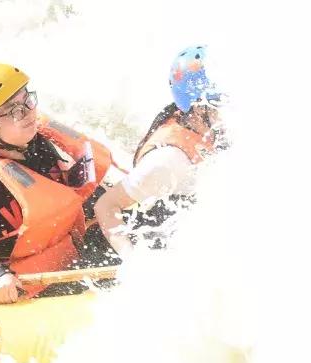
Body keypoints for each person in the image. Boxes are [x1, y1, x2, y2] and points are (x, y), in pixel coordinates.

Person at [0, 63, 120, 304]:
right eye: (12, 111)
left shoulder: (39, 142)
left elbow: (77, 195)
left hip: (76, 256)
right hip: (38, 286)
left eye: (27, 100)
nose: (28, 112)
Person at [93, 45, 227, 259]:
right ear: (199, 108)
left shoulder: (210, 125)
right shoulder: (168, 160)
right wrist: (135, 262)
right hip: (164, 229)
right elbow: (106, 206)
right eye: (223, 101)